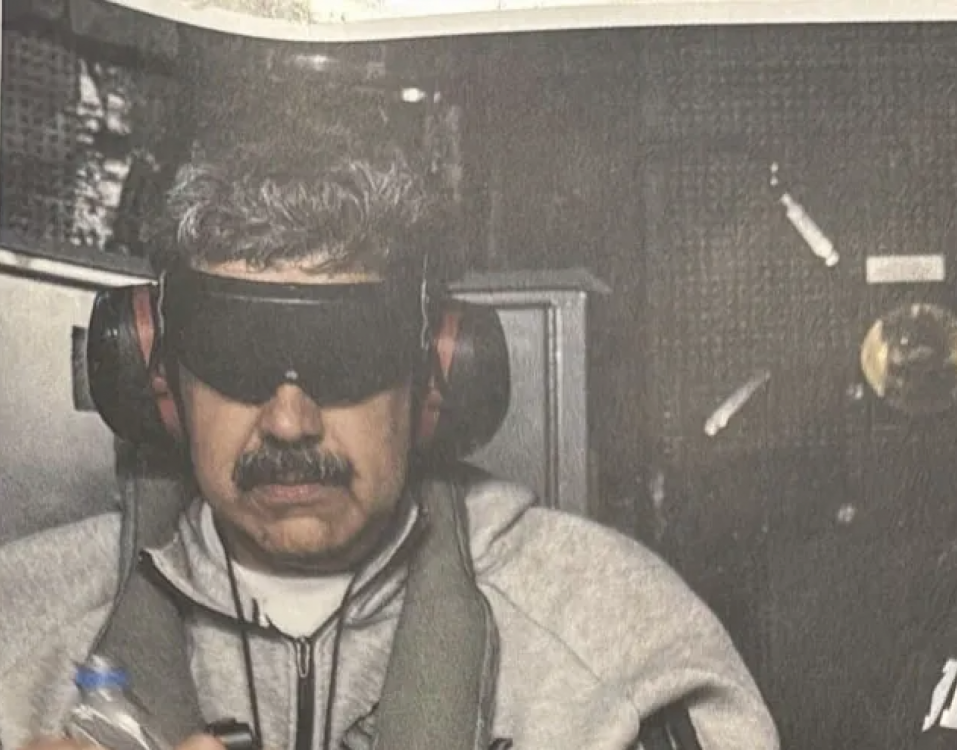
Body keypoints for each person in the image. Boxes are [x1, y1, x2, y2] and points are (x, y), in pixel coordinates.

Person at [0, 128, 779, 750]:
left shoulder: (620, 637)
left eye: (346, 358)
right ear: (157, 375)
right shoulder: (20, 627)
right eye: (235, 356)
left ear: (435, 375)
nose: (289, 422)